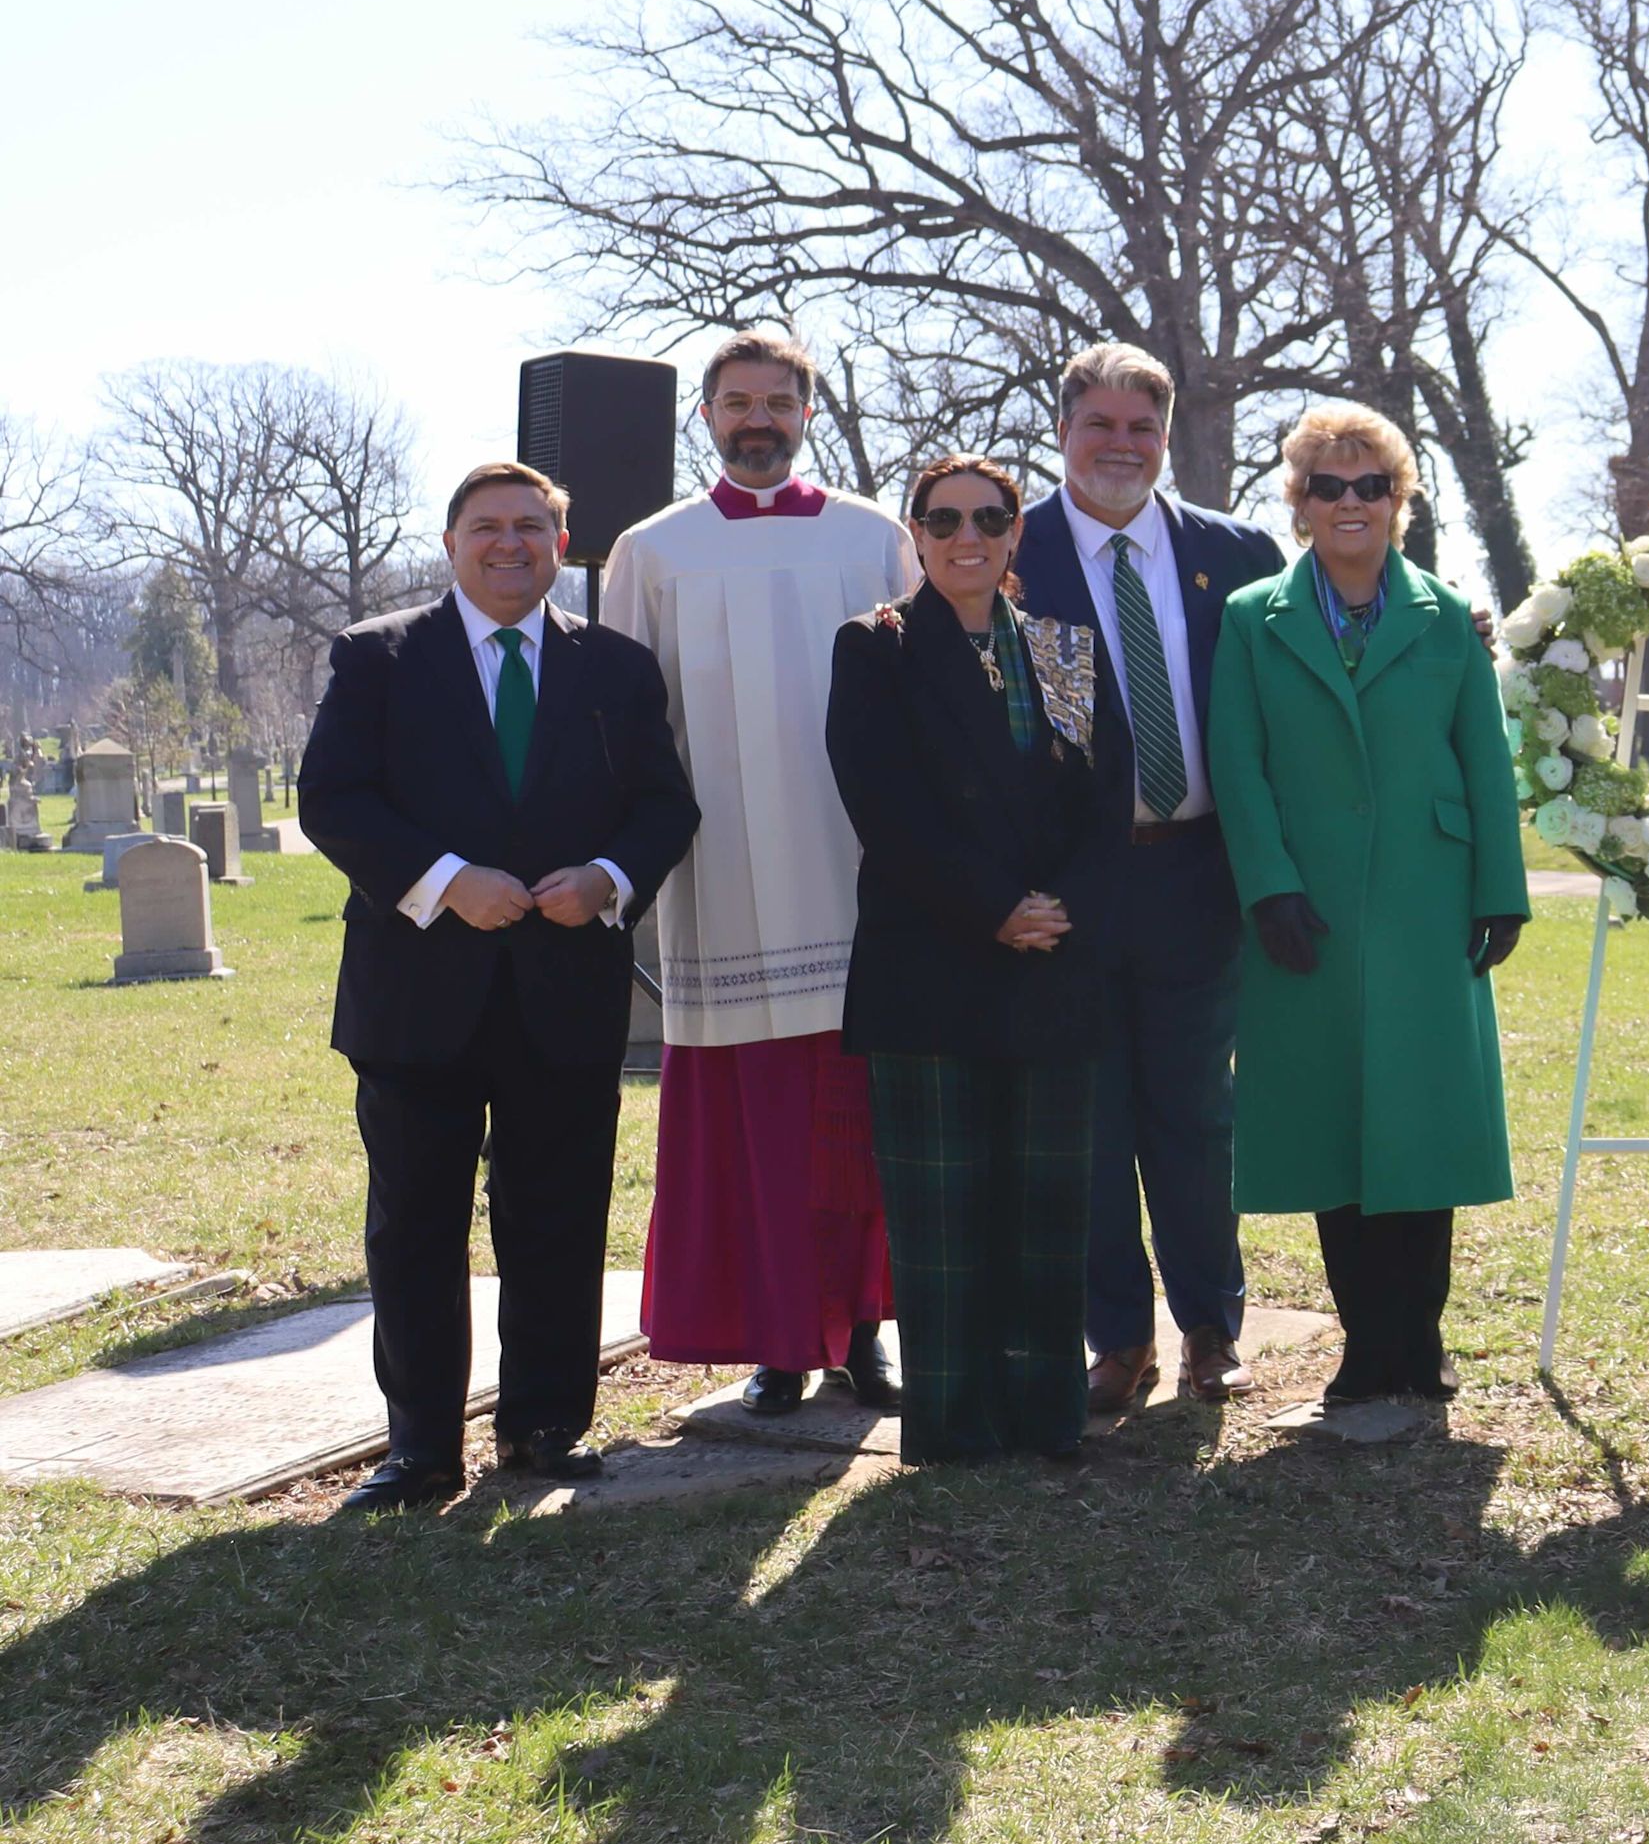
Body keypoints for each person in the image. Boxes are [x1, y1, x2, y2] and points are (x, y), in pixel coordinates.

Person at [298, 463, 698, 1514]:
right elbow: (333, 799)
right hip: (416, 993)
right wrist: (445, 882)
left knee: (558, 1218)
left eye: (532, 527)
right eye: (488, 527)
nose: (510, 543)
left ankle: (543, 1428)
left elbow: (664, 809)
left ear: (562, 545)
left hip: (565, 987)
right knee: (416, 1225)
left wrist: (608, 880)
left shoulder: (616, 667)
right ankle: (422, 1447)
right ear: (451, 542)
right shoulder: (379, 657)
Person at [607, 328, 917, 1415]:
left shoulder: (876, 537)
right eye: (739, 402)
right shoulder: (657, 551)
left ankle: (866, 1329)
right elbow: (625, 726)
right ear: (706, 416)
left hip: (857, 869)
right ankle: (777, 1341)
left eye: (780, 402)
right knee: (757, 1128)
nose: (759, 419)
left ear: (808, 413)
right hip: (721, 873)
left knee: (857, 1117)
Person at [1207, 405, 1527, 1445]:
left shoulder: (1445, 618)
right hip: (1306, 908)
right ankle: (1360, 1347)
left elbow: (1484, 755)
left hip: (1428, 900)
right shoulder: (1252, 617)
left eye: (1371, 485)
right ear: (1297, 504)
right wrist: (1266, 885)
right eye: (1328, 486)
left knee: (1421, 1123)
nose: (1351, 503)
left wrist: (1501, 890)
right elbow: (1237, 763)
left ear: (1400, 501)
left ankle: (1418, 1346)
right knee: (1333, 1124)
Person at [826, 456, 1131, 1464]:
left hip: (1053, 966)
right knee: (944, 1220)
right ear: (915, 532)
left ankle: (1044, 1418)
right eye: (945, 518)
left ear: (1014, 536)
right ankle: (953, 1426)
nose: (969, 535)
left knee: (1045, 1213)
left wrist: (1059, 911)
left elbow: (1103, 806)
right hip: (932, 969)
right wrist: (994, 909)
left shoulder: (1066, 651)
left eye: (990, 518)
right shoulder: (877, 648)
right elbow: (887, 810)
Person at [1005, 345, 1284, 1408]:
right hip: (1067, 886)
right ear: (1063, 429)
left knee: (1195, 1120)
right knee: (1088, 1123)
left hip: (1196, 877)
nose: (1121, 444)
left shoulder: (1236, 551)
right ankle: (1115, 1339)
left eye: (1142, 427)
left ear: (1166, 438)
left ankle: (1211, 1329)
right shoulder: (1008, 545)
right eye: (1100, 424)